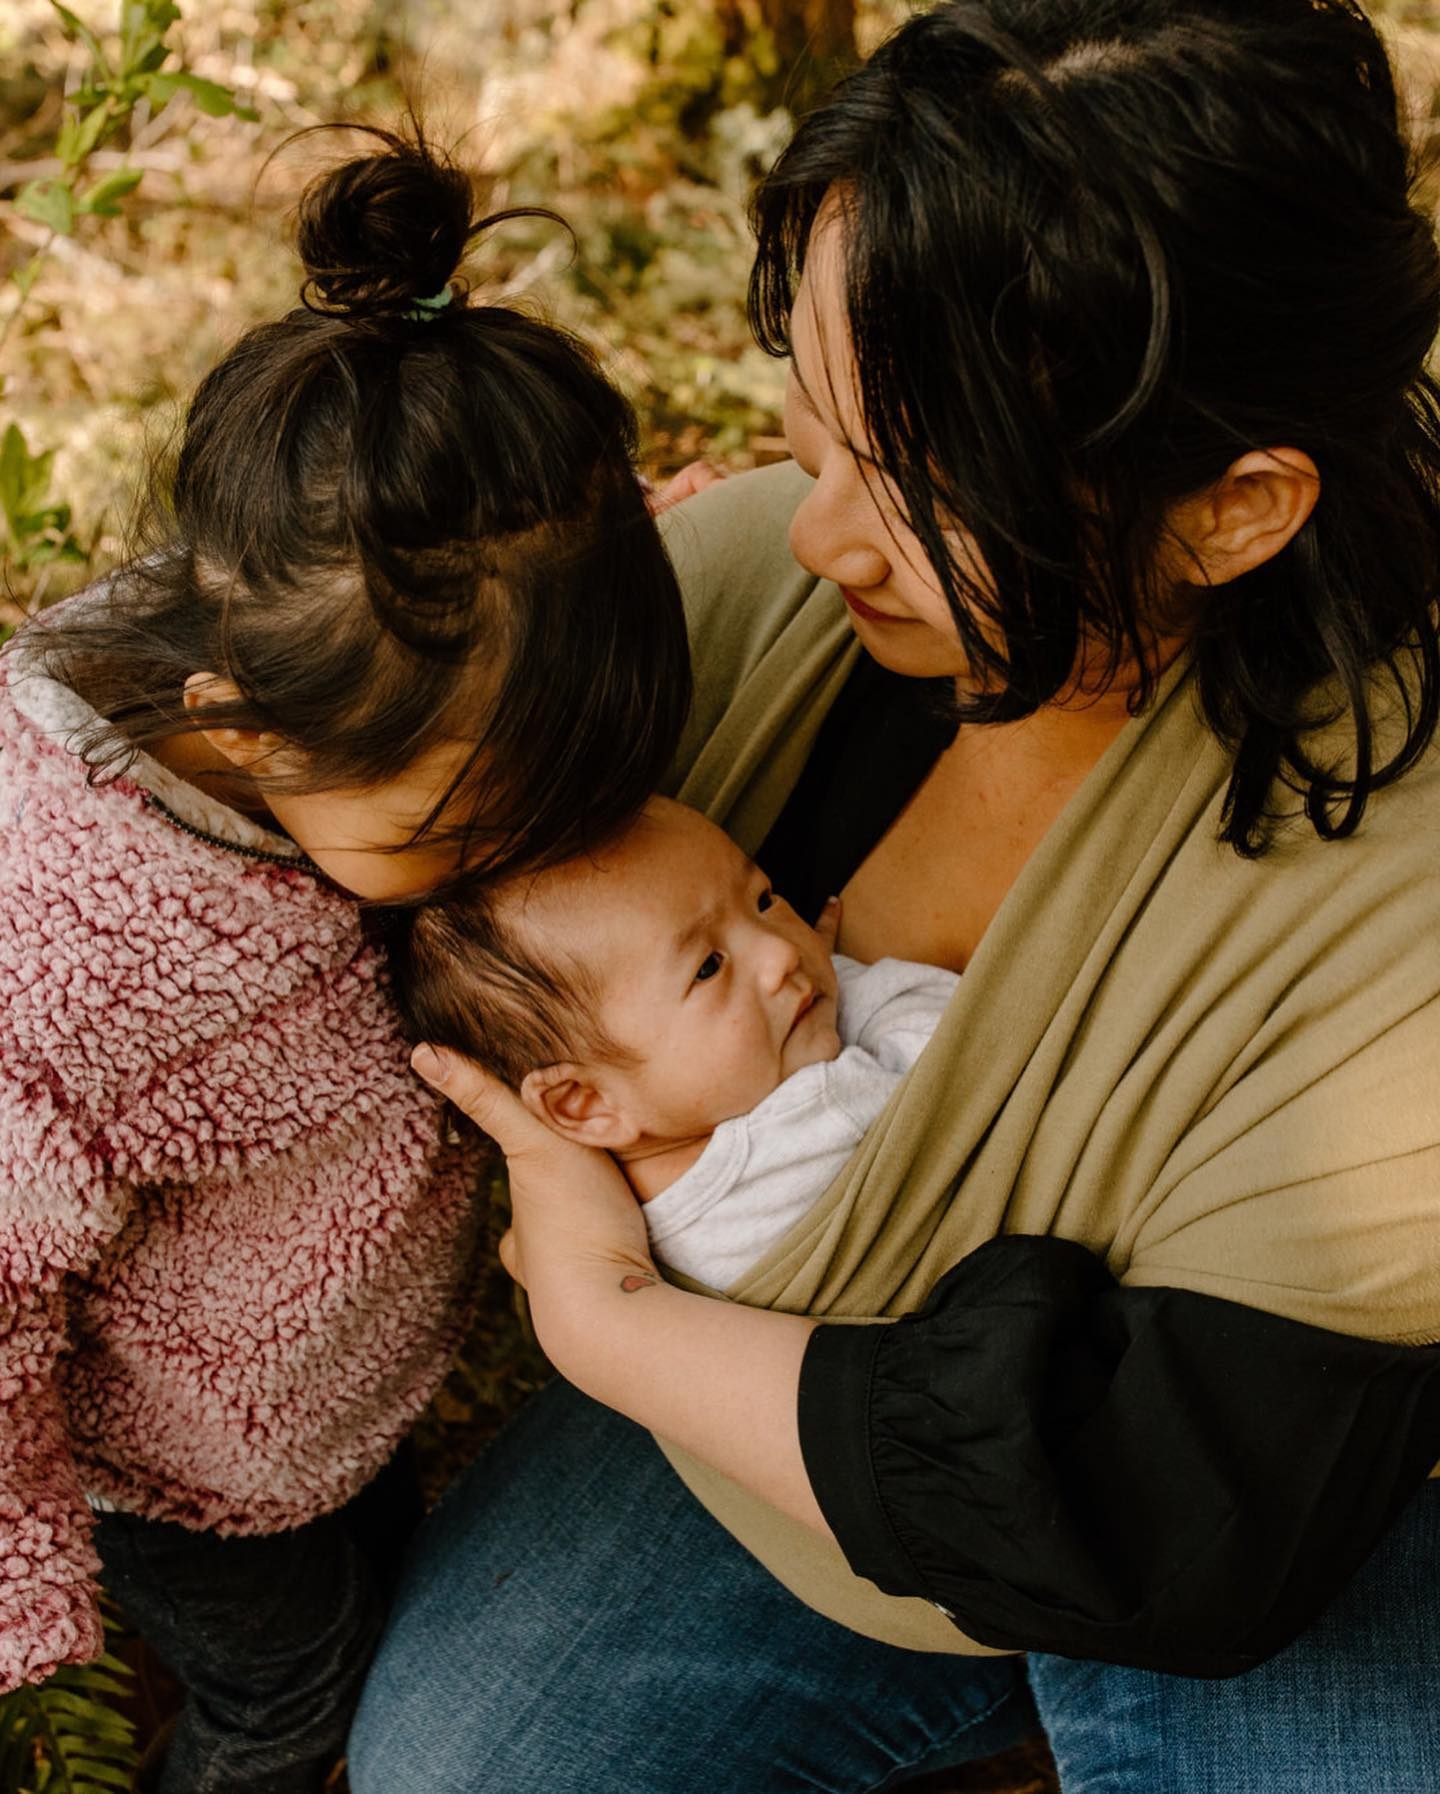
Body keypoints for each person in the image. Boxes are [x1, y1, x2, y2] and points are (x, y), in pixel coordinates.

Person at [347, 4, 1440, 1790]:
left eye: (916, 485)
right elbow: (317, 790)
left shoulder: (1397, 916)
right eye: (814, 431)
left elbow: (1168, 1512)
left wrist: (605, 1319)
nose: (812, 534)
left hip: (1268, 1486)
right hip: (762, 1418)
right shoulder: (763, 612)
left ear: (1234, 507)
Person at [0, 125, 691, 1794]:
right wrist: (24, 1562)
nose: (511, 861)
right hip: (187, 1461)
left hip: (332, 1388)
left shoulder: (384, 655)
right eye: (466, 830)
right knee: (289, 1691)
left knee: (370, 1592)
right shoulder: (65, 942)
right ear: (240, 723)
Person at [390, 795, 958, 1287]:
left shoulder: (588, 1225)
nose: (782, 951)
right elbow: (962, 1048)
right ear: (585, 1103)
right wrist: (851, 986)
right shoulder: (821, 1119)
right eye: (708, 967)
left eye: (762, 901)